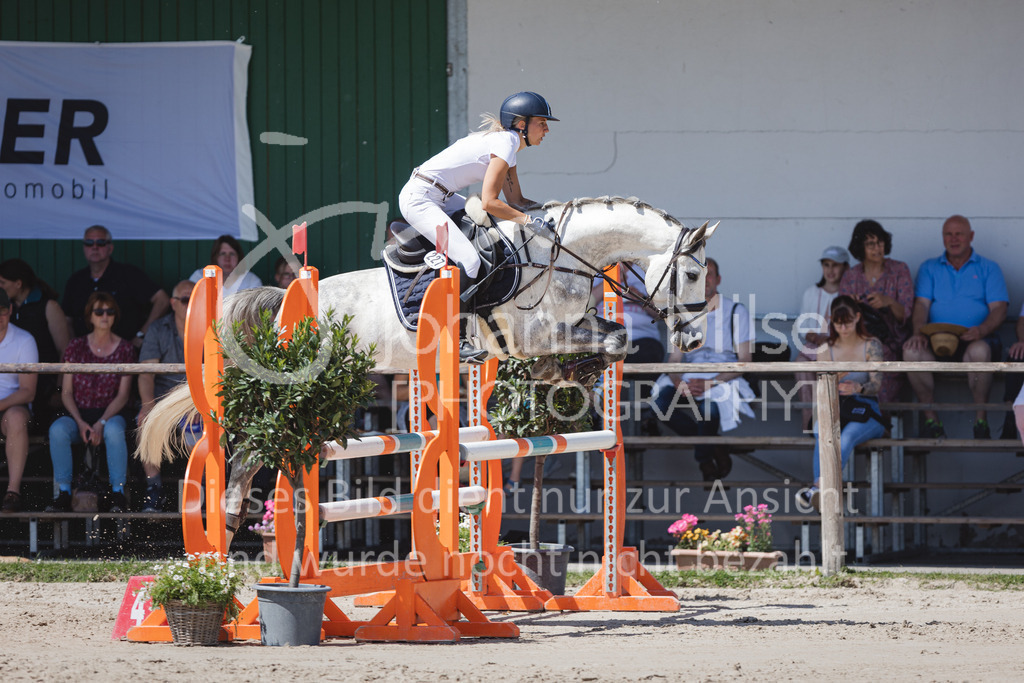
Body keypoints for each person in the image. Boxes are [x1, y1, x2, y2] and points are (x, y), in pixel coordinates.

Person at [398, 91, 558, 362]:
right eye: (541, 122)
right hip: (421, 199)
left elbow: (516, 201)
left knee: (492, 237)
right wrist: (531, 223)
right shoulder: (507, 143)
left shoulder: (510, 145)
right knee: (470, 261)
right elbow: (490, 203)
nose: (546, 129)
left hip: (442, 197)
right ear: (521, 124)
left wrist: (549, 212)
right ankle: (456, 339)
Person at [902, 215, 1008, 439]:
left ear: (971, 236)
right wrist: (918, 332)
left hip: (976, 339)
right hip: (936, 340)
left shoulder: (989, 268)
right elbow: (921, 304)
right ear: (942, 238)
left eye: (959, 233)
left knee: (980, 351)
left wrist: (982, 330)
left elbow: (999, 309)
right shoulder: (930, 267)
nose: (954, 239)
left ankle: (981, 421)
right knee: (911, 350)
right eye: (948, 234)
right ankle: (932, 422)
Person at [652, 258, 756, 481]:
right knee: (660, 405)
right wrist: (678, 381)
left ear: (718, 280)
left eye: (710, 274)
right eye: (698, 274)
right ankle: (716, 447)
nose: (705, 279)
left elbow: (745, 360)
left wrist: (711, 382)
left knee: (710, 410)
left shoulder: (736, 311)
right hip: (689, 374)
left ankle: (705, 459)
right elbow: (674, 359)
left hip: (723, 376)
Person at [46, 293, 137, 513]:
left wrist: (102, 422)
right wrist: (79, 422)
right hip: (78, 414)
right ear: (90, 316)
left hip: (111, 413)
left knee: (114, 430)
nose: (104, 316)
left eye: (110, 311)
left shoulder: (125, 348)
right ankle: (64, 493)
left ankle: (118, 493)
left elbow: (123, 395)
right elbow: (66, 392)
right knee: (58, 430)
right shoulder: (76, 347)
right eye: (99, 311)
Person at [802, 295, 886, 509]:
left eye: (848, 321)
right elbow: (821, 388)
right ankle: (823, 490)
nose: (844, 327)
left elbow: (877, 384)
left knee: (844, 438)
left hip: (866, 409)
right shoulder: (825, 348)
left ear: (858, 317)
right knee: (824, 431)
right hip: (834, 406)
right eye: (839, 322)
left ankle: (819, 488)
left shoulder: (871, 345)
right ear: (831, 320)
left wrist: (859, 387)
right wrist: (836, 380)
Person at [838, 220, 914, 405]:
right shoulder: (851, 276)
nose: (877, 248)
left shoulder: (899, 270)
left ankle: (882, 426)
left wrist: (888, 302)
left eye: (880, 242)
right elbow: (840, 317)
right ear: (860, 247)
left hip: (890, 345)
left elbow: (906, 314)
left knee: (880, 382)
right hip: (856, 346)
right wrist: (851, 306)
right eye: (870, 244)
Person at [137, 280, 197, 512]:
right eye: (184, 299)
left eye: (194, 299)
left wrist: (199, 406)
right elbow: (145, 375)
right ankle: (154, 490)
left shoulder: (211, 328)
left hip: (196, 402)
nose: (190, 304)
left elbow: (217, 376)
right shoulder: (158, 329)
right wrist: (148, 407)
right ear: (172, 303)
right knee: (144, 422)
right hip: (163, 401)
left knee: (204, 430)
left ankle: (198, 492)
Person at [62, 225, 170, 344]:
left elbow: (162, 299)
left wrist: (141, 335)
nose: (94, 247)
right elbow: (67, 320)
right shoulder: (76, 281)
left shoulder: (128, 274)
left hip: (125, 355)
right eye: (89, 243)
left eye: (101, 242)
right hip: (84, 357)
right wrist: (74, 348)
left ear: (110, 248)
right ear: (84, 248)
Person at [0, 258, 71, 424]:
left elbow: (65, 351)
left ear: (18, 283)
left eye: (3, 282)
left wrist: (60, 390)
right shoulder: (7, 307)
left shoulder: (48, 306)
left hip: (45, 388)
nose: (0, 287)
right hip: (16, 387)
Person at [793, 246, 850, 431]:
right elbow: (802, 327)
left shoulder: (848, 294)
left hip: (841, 348)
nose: (830, 270)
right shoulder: (811, 292)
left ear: (845, 268)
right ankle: (809, 423)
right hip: (815, 346)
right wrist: (818, 338)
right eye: (826, 265)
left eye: (835, 265)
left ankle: (830, 425)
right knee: (801, 365)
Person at [0, 290, 38, 513]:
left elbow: (28, 392)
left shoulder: (24, 340)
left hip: (13, 408)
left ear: (11, 310)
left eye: (2, 311)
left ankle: (12, 492)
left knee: (15, 418)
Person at [188, 234, 262, 298]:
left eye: (232, 254)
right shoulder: (200, 277)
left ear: (239, 257)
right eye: (223, 253)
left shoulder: (251, 280)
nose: (227, 259)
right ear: (215, 257)